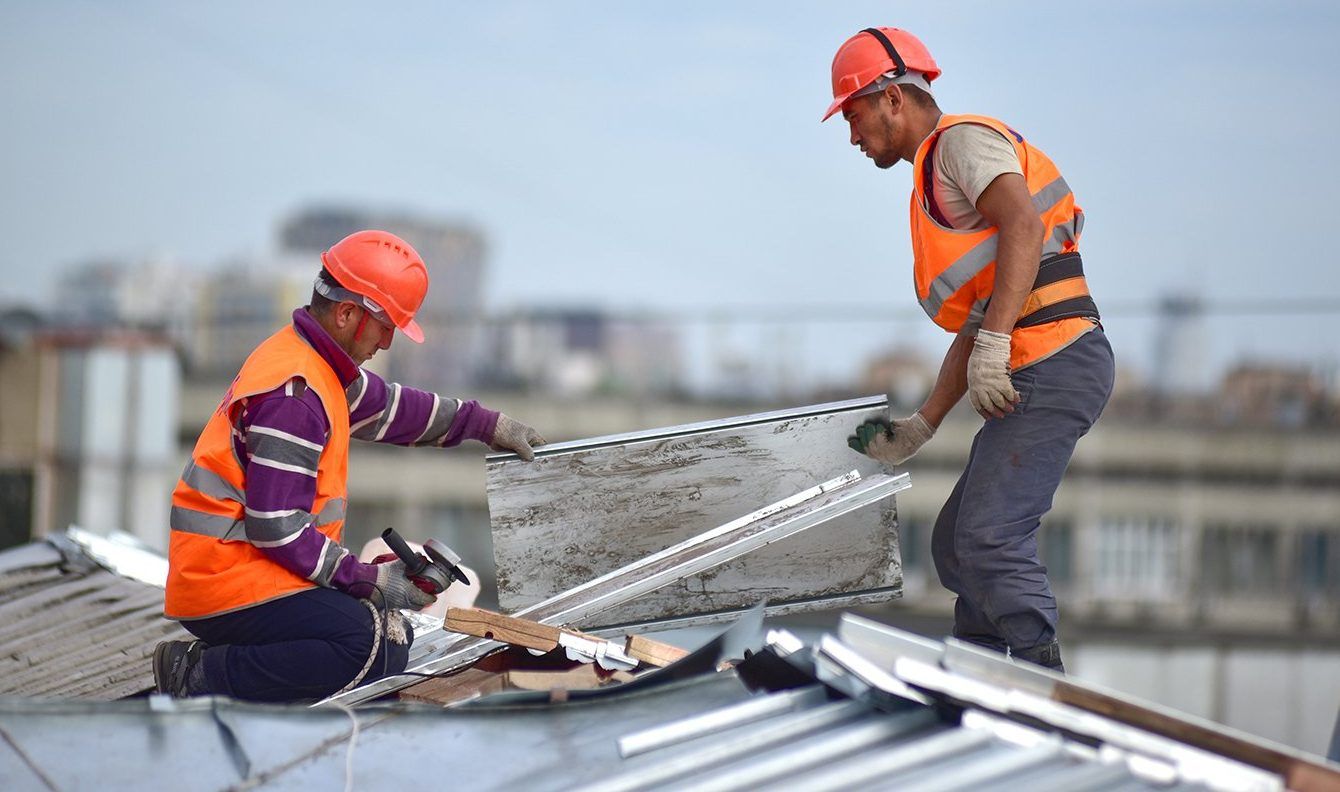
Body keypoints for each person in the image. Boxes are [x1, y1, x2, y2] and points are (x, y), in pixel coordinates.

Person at [153, 229, 546, 701]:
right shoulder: (295, 395)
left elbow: (395, 410)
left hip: (250, 569)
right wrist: (370, 580)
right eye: (386, 327)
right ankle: (199, 676)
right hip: (226, 582)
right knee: (369, 645)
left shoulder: (316, 364)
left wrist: (486, 424)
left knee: (386, 636)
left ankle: (228, 675)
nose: (387, 342)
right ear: (347, 314)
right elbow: (277, 527)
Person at [830, 28, 1114, 671]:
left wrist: (994, 345)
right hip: (1039, 358)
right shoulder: (938, 173)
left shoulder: (958, 145)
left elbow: (1023, 223)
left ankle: (1044, 685)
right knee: (956, 545)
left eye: (853, 115)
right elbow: (986, 313)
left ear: (893, 100)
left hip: (1057, 356)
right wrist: (923, 425)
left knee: (988, 539)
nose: (851, 136)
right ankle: (981, 668)